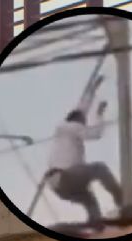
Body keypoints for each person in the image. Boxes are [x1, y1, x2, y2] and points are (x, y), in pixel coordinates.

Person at [41, 75, 124, 226]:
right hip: (65, 175)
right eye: (83, 123)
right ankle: (120, 198)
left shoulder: (63, 130)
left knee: (89, 199)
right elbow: (95, 134)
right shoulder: (71, 126)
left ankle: (95, 222)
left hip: (58, 187)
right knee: (100, 169)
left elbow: (82, 107)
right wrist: (99, 115)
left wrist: (93, 88)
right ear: (78, 121)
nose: (84, 125)